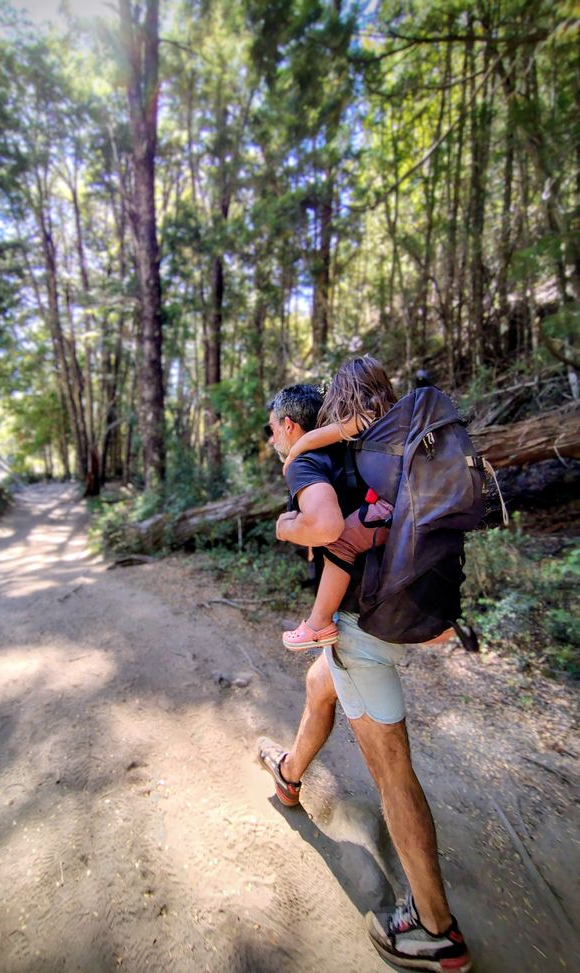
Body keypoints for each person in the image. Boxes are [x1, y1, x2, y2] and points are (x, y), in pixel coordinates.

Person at [260, 379, 472, 973]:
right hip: (393, 610)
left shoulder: (309, 464)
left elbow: (325, 528)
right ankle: (289, 775)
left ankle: (436, 931)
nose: (272, 437)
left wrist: (284, 526)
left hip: (361, 632)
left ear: (290, 426)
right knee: (317, 686)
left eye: (274, 426)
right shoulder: (371, 452)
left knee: (392, 772)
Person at [280, 357, 397, 651]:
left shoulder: (367, 416)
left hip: (390, 508)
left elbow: (326, 434)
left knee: (340, 540)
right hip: (414, 509)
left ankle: (318, 624)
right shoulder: (398, 415)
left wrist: (295, 453)